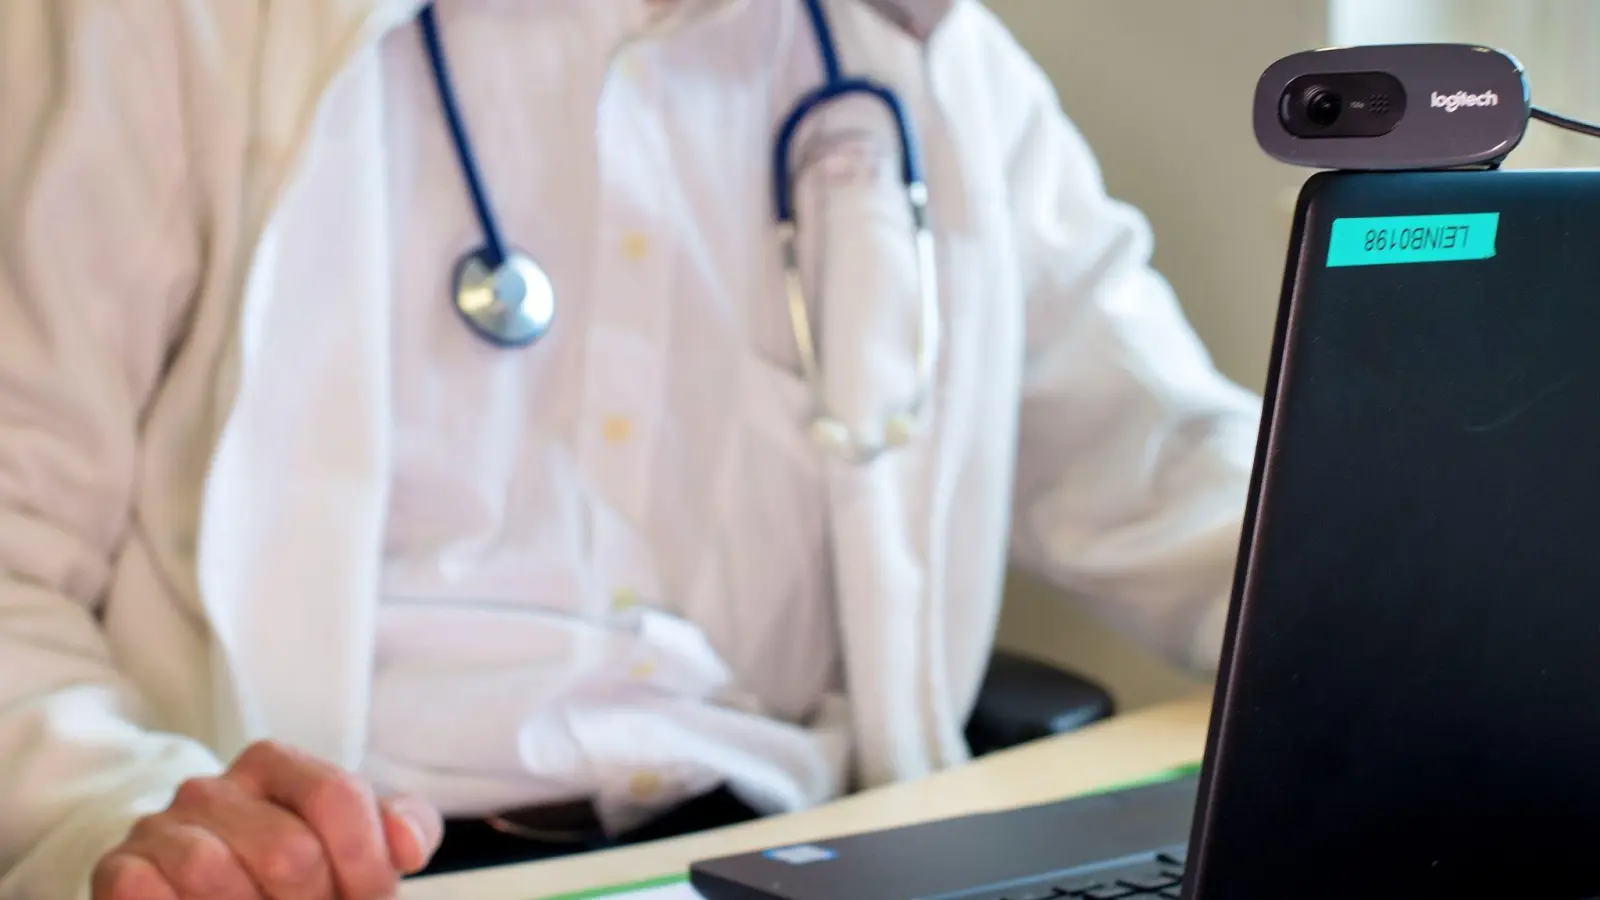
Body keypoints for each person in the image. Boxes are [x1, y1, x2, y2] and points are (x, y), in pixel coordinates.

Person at [0, 0, 1264, 897]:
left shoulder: (926, 55)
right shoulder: (160, 29)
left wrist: (1433, 614)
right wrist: (132, 817)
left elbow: (1173, 473)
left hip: (803, 853)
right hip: (375, 873)